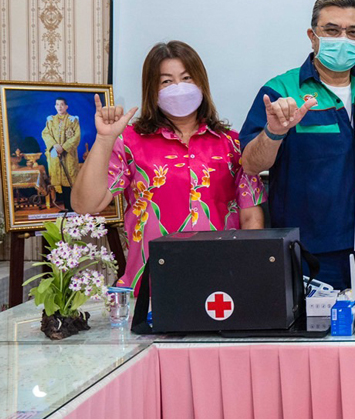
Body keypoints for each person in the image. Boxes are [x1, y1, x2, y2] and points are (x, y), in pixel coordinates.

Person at [239, 0, 355, 290]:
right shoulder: (280, 90)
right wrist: (274, 131)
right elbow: (250, 164)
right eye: (332, 30)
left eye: (353, 32)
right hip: (309, 251)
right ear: (312, 37)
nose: (343, 39)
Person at [72, 41, 264, 289]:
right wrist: (104, 139)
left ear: (201, 84)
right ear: (152, 89)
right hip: (152, 286)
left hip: (221, 284)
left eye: (186, 78)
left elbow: (251, 217)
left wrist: (247, 277)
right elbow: (85, 205)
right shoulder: (129, 142)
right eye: (166, 81)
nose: (178, 88)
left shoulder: (233, 143)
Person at [42, 96, 81, 211]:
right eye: (57, 104)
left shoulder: (73, 120)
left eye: (62, 104)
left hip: (68, 156)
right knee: (60, 181)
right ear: (55, 106)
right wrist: (54, 145)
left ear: (66, 106)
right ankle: (66, 208)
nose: (60, 107)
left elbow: (76, 136)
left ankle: (72, 207)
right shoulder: (50, 120)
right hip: (56, 155)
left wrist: (63, 147)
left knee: (69, 180)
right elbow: (45, 134)